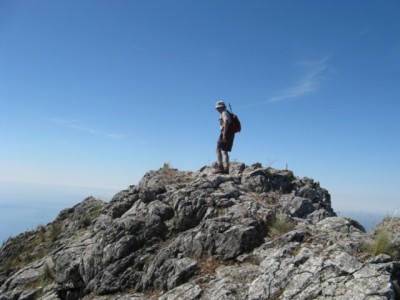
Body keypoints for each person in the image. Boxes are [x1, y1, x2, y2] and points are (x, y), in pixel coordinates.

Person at [215, 101, 235, 174]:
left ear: (221, 107)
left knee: (218, 149)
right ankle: (226, 169)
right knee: (224, 151)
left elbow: (226, 122)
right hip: (231, 133)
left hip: (225, 132)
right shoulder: (227, 112)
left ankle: (220, 167)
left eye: (217, 108)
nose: (217, 109)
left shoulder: (224, 113)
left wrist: (224, 135)